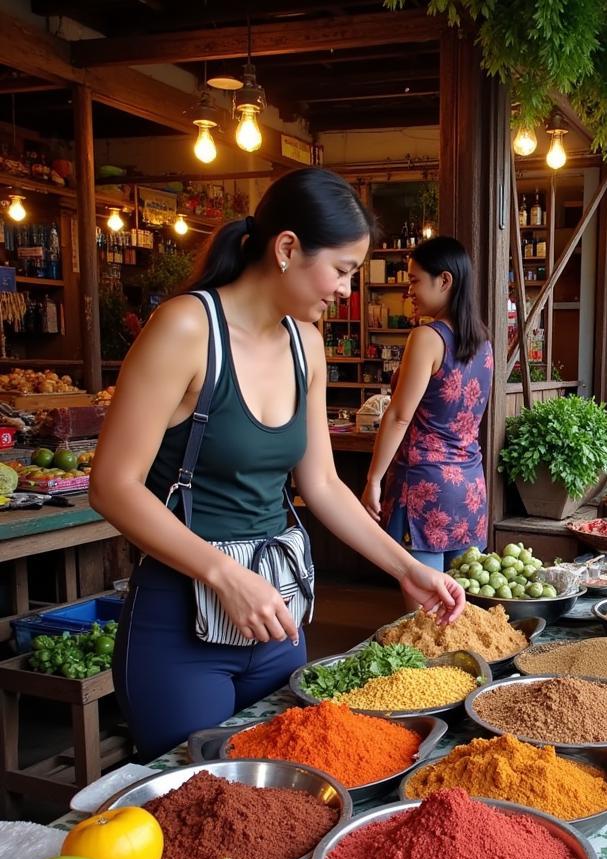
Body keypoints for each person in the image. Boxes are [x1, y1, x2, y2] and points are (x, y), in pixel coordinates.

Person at [90, 168, 464, 762]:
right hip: (181, 623)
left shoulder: (305, 344)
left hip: (277, 617)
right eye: (341, 270)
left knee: (282, 795)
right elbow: (112, 485)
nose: (346, 290)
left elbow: (320, 484)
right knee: (200, 803)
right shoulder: (188, 328)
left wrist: (406, 568)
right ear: (287, 248)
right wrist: (224, 575)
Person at [361, 236, 493, 575]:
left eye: (414, 280)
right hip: (469, 490)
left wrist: (374, 479)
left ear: (445, 280)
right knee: (461, 613)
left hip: (425, 489)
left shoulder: (427, 338)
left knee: (426, 615)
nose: (409, 292)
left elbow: (400, 415)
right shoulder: (484, 343)